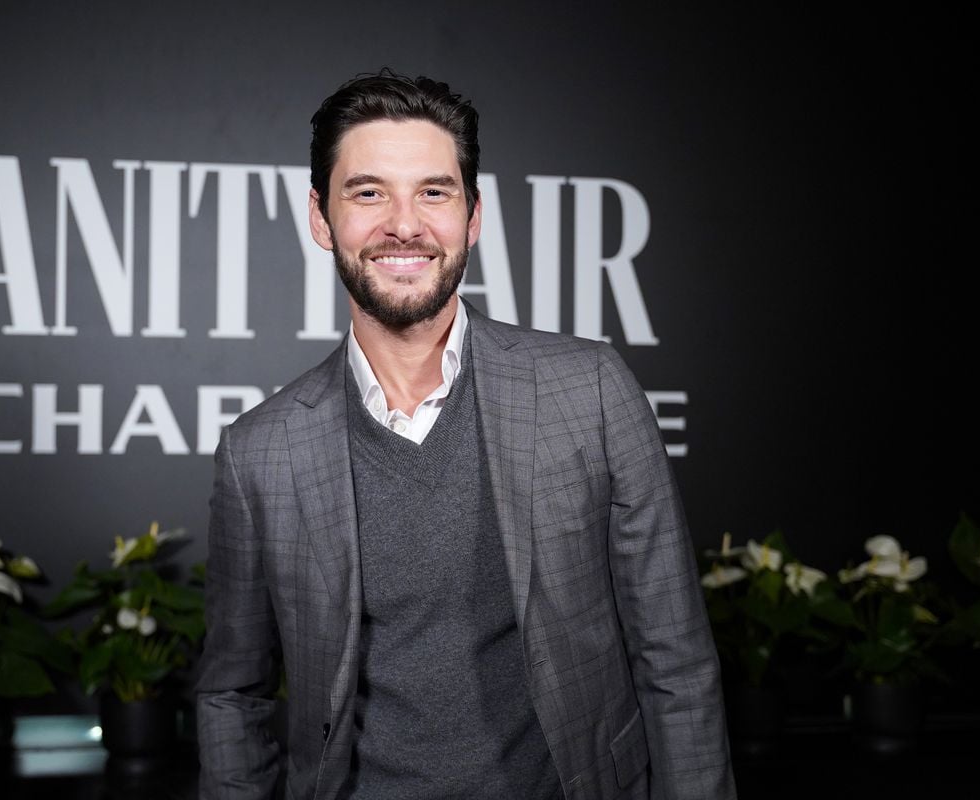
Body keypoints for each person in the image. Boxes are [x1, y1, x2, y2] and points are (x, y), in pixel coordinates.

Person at [194, 69, 735, 800]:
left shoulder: (592, 391)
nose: (405, 224)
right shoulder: (260, 451)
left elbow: (676, 665)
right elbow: (234, 693)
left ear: (473, 215)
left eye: (434, 192)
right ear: (320, 218)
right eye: (368, 192)